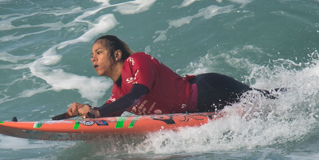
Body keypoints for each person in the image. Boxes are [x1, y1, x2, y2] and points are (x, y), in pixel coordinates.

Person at [65, 35, 266, 119]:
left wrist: (98, 113)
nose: (93, 58)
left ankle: (292, 90)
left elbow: (137, 94)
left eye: (98, 52)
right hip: (197, 108)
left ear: (117, 54)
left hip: (208, 89)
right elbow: (111, 110)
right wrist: (84, 111)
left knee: (266, 100)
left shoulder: (137, 61)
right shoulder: (117, 92)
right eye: (92, 55)